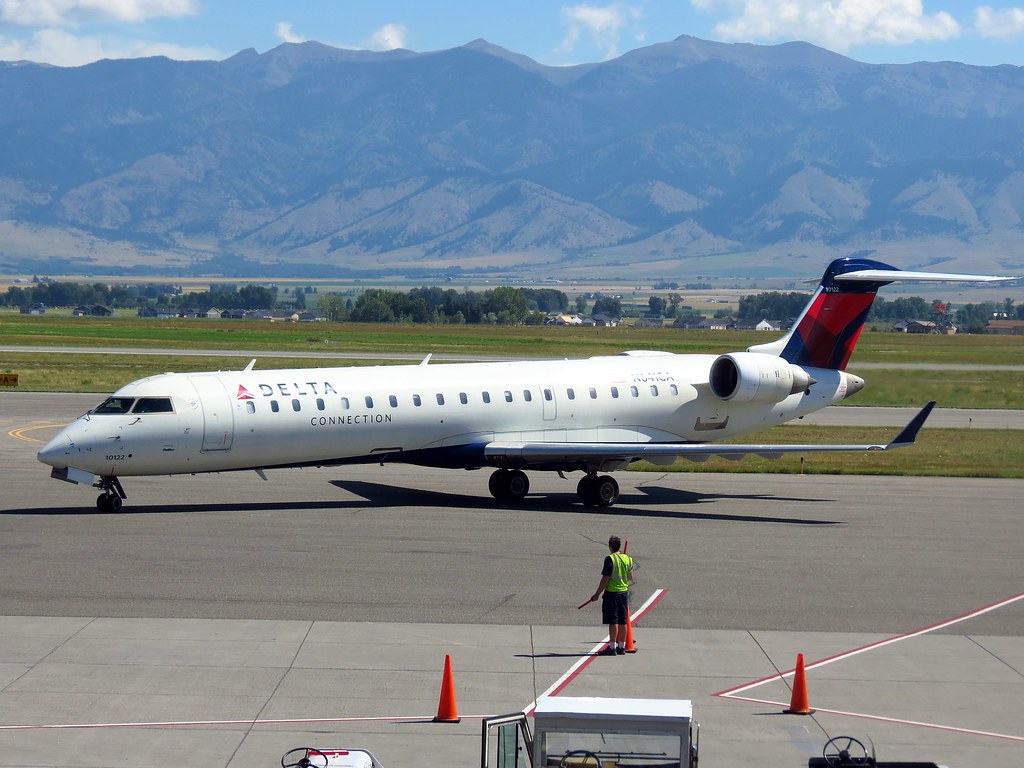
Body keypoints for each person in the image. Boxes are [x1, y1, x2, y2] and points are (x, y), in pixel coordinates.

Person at [588, 535, 634, 655]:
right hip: (624, 593)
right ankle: (622, 647)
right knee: (623, 621)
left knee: (613, 621)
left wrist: (597, 594)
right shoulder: (628, 559)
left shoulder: (610, 559)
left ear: (610, 546)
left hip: (612, 593)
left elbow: (605, 578)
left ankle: (612, 647)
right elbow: (630, 576)